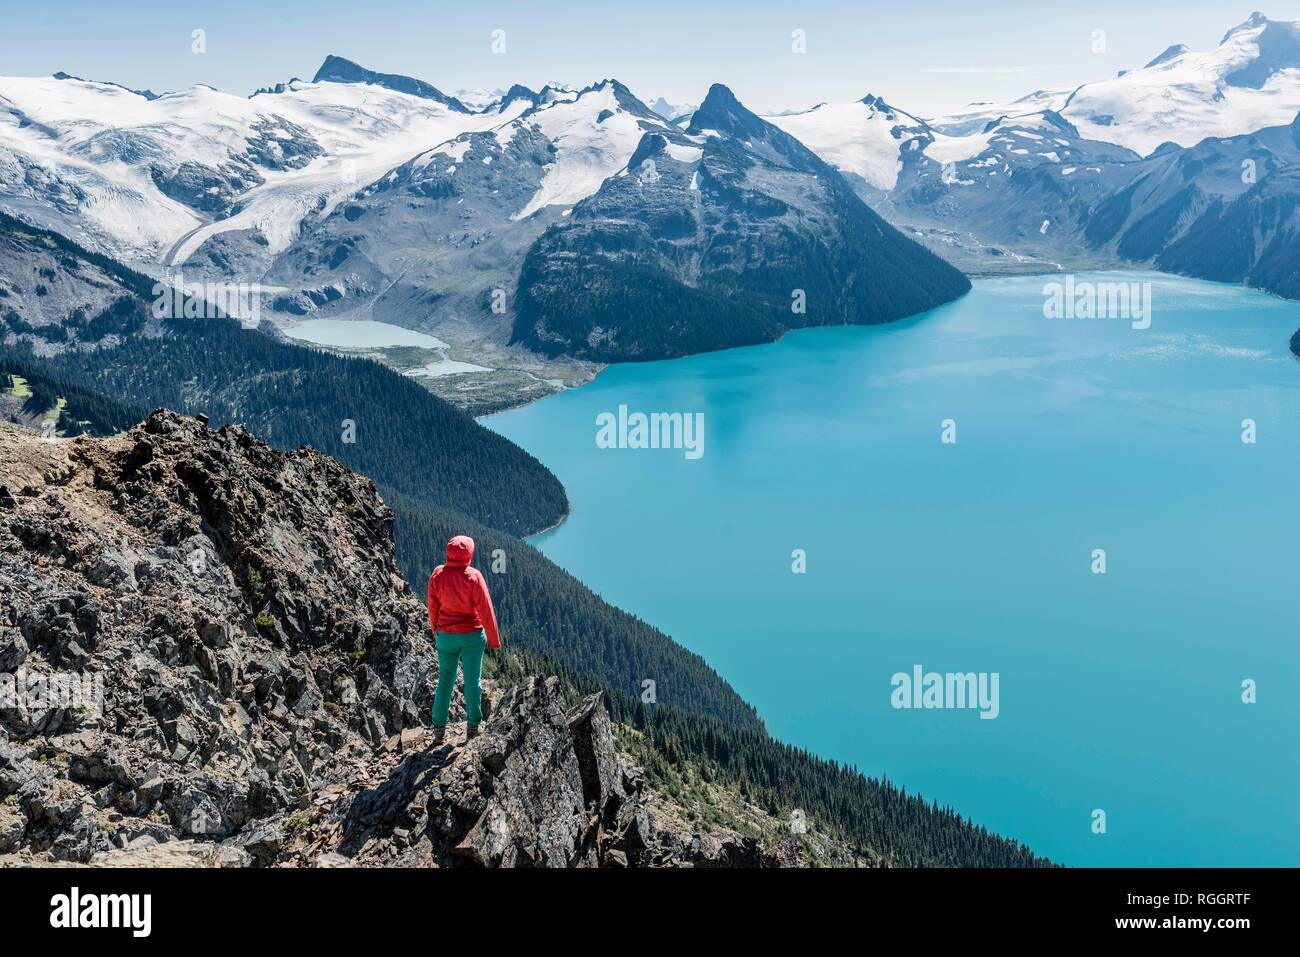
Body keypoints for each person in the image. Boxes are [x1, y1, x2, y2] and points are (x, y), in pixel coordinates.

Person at [427, 535, 501, 744]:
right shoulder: (474, 576)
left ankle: (439, 730)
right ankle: (472, 727)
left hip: (446, 636)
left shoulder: (438, 574)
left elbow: (433, 607)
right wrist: (494, 640)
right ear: (469, 553)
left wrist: (436, 629)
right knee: (472, 681)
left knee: (445, 680)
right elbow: (486, 610)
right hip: (472, 636)